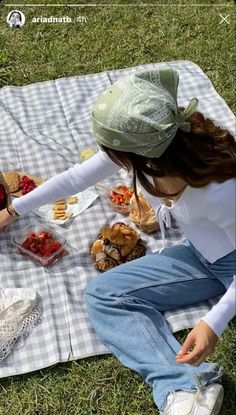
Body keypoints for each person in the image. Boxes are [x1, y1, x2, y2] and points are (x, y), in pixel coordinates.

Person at [0, 66, 235, 415]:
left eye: (110, 152)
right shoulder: (158, 150)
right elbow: (75, 178)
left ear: (138, 156)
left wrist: (213, 323)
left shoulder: (220, 191)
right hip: (200, 255)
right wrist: (14, 210)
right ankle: (188, 384)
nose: (105, 158)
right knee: (103, 294)